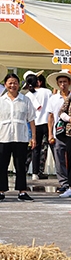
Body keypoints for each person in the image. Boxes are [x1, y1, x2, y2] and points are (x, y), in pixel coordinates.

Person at [46, 69, 71, 194]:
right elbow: (51, 117)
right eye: (60, 82)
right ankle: (64, 183)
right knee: (59, 158)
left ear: (69, 83)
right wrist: (50, 134)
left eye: (65, 82)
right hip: (58, 132)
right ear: (58, 84)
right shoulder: (53, 99)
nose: (63, 84)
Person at [0, 72, 36, 201]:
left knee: (20, 165)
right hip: (3, 137)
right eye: (10, 83)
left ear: (19, 84)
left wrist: (33, 137)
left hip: (20, 137)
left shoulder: (25, 100)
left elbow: (31, 120)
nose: (13, 85)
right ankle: (1, 190)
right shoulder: (1, 100)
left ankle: (22, 191)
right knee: (2, 164)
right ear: (5, 85)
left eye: (15, 83)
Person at [23, 73, 49, 181]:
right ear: (38, 81)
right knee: (47, 148)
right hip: (47, 122)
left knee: (35, 149)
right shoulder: (47, 92)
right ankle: (41, 170)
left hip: (35, 123)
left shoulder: (28, 95)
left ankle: (34, 173)